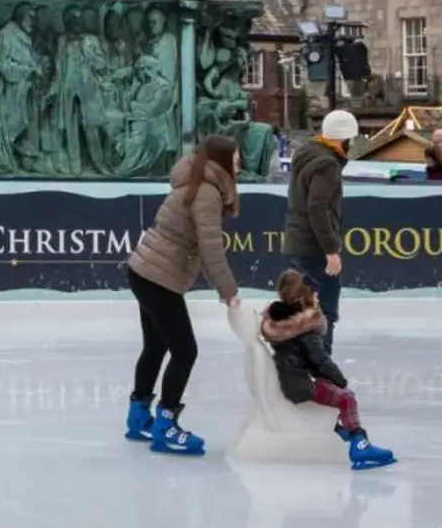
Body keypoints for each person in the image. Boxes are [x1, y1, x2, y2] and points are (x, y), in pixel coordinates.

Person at [122, 134, 242, 457]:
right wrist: (228, 291)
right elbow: (211, 248)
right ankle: (165, 425)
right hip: (158, 277)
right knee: (185, 351)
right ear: (221, 160)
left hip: (143, 270)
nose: (239, 162)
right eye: (235, 157)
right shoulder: (207, 193)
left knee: (156, 346)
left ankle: (138, 418)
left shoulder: (196, 180)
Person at [259, 269, 397, 470]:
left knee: (334, 392)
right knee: (347, 398)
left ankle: (342, 431)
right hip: (301, 385)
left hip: (289, 380)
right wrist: (339, 380)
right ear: (304, 299)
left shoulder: (280, 322)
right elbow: (320, 360)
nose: (317, 299)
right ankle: (359, 444)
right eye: (314, 295)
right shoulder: (306, 327)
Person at [284, 109, 355, 352]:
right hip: (314, 247)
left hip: (298, 242)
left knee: (303, 304)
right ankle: (319, 364)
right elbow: (317, 208)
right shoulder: (327, 164)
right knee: (324, 306)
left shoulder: (306, 154)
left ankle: (298, 360)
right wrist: (331, 249)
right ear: (344, 139)